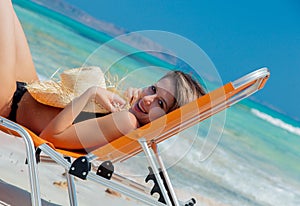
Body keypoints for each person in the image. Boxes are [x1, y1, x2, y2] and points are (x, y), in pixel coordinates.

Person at [0, 0, 206, 150]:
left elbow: (50, 137)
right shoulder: (128, 117)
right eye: (153, 89)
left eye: (160, 104)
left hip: (9, 106)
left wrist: (93, 94)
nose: (148, 99)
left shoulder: (126, 122)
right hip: (26, 91)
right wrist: (126, 100)